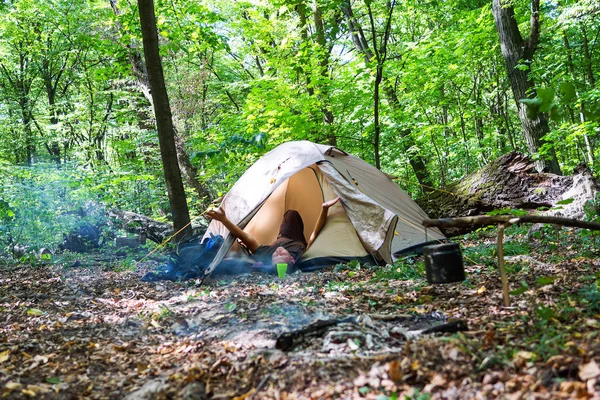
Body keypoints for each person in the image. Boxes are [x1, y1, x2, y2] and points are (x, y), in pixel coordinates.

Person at [206, 197, 340, 268]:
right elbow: (315, 234)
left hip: (282, 236)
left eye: (276, 256)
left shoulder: (266, 254)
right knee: (292, 214)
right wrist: (324, 209)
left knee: (289, 214)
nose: (278, 252)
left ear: (271, 259)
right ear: (292, 259)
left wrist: (223, 220)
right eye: (282, 255)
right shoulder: (301, 254)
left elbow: (245, 237)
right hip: (294, 236)